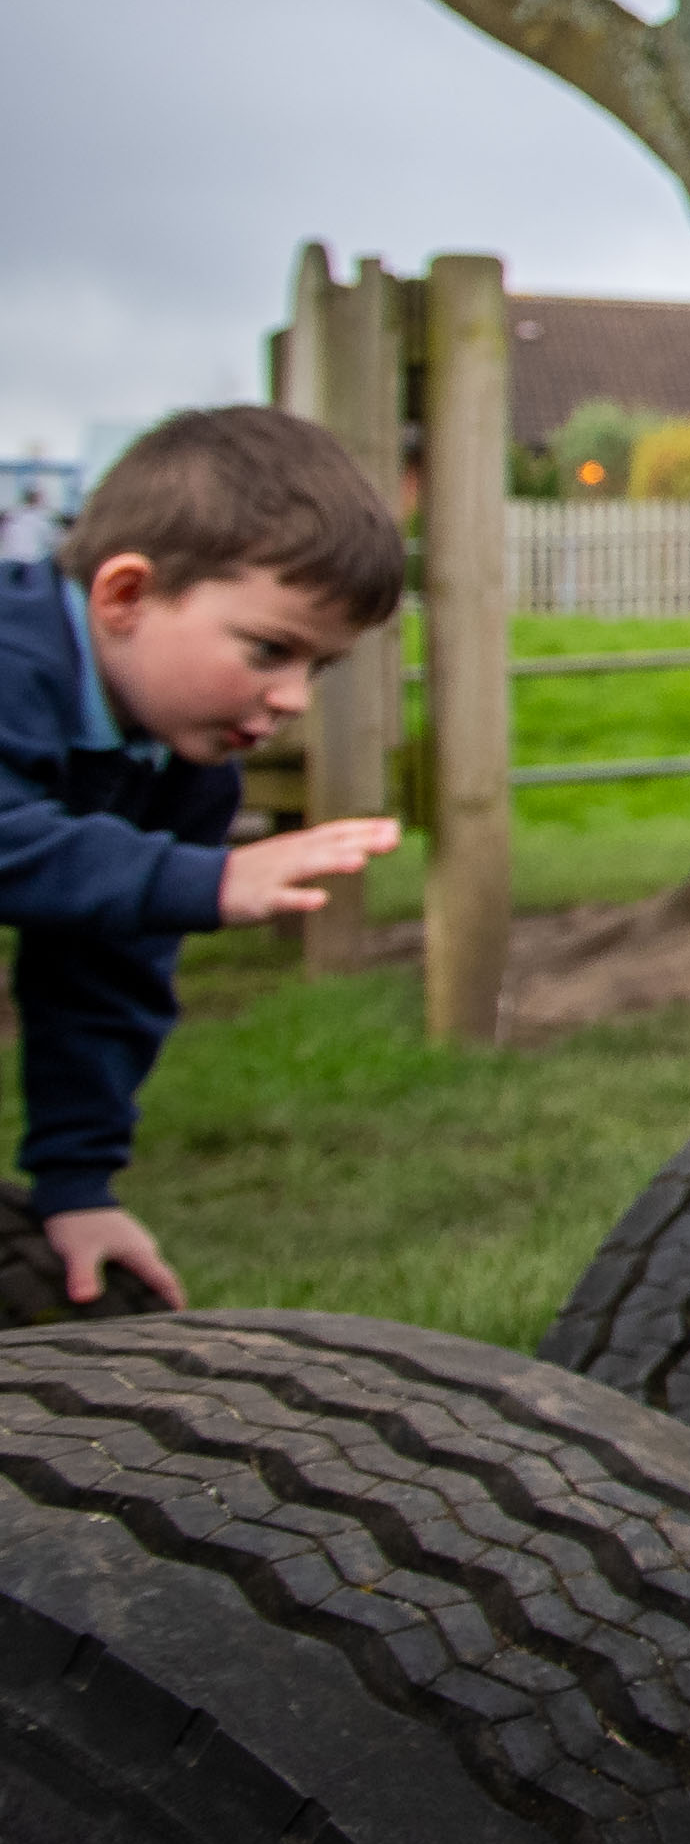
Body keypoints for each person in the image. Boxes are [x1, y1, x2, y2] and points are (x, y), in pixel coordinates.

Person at [3, 407, 411, 1309]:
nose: (294, 698)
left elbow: (105, 970)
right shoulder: (11, 658)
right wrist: (205, 879)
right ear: (125, 596)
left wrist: (77, 1184)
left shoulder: (184, 769)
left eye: (319, 668)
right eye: (271, 650)